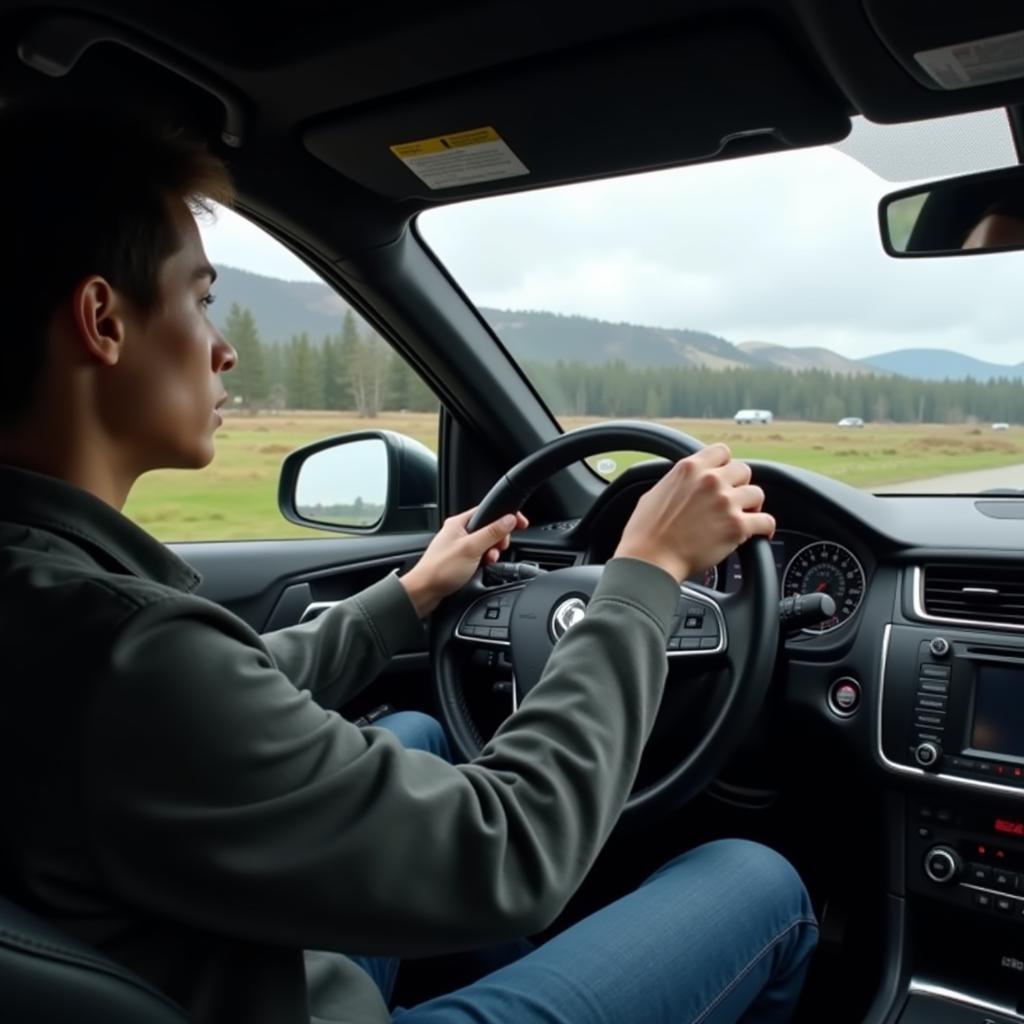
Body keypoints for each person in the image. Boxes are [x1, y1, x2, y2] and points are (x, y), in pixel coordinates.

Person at [0, 107, 817, 1024]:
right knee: (760, 881)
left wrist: (409, 596)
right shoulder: (127, 654)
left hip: (210, 968)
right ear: (103, 320)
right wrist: (646, 574)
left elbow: (218, 698)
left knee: (423, 736)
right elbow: (511, 851)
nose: (224, 347)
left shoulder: (52, 600)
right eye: (200, 300)